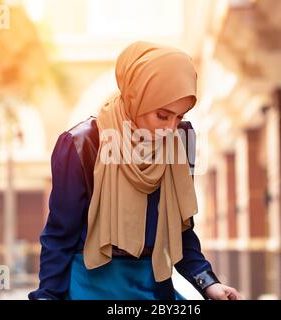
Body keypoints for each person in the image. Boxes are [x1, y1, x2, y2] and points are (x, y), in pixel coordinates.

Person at [29, 41, 242, 300]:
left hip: (153, 286)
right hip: (90, 287)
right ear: (135, 98)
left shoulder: (181, 141)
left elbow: (180, 230)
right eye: (163, 115)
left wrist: (208, 283)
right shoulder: (81, 144)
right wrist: (47, 296)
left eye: (180, 116)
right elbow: (59, 235)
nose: (170, 128)